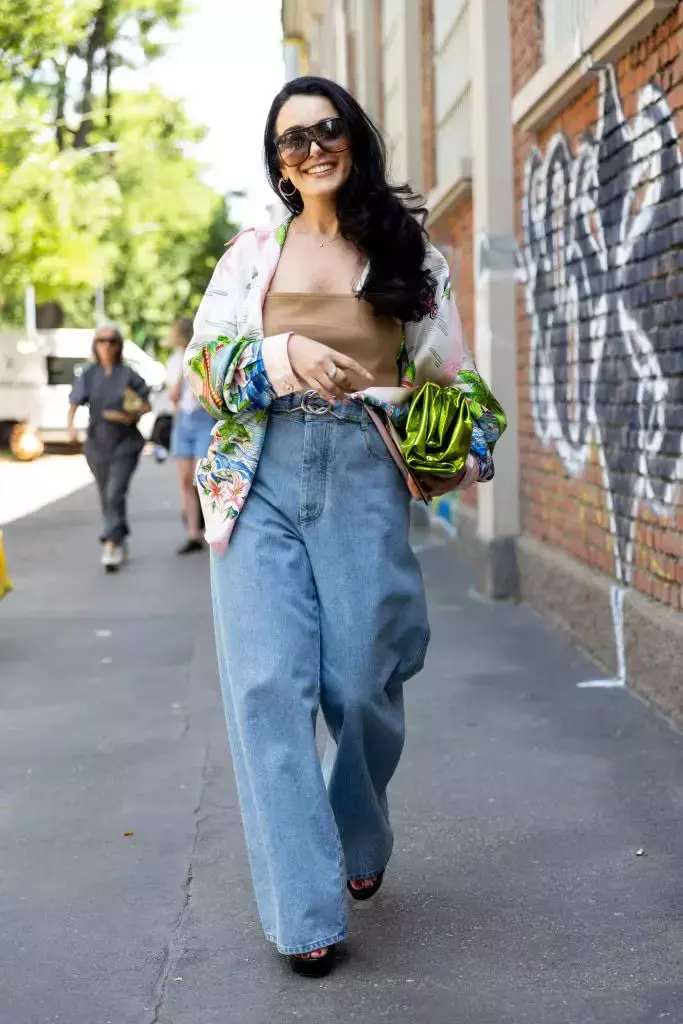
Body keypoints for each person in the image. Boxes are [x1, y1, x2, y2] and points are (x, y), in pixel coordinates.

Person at [183, 76, 499, 977]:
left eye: (326, 130)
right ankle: (306, 914)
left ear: (352, 139)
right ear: (277, 162)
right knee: (267, 694)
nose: (311, 147)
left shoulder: (409, 255)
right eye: (291, 140)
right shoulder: (251, 255)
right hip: (257, 479)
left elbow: (455, 382)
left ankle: (358, 834)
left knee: (363, 679)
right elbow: (206, 365)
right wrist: (279, 356)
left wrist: (455, 441)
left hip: (363, 474)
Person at [67, 325, 151, 571]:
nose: (106, 345)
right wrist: (70, 428)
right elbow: (74, 402)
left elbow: (145, 404)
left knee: (115, 492)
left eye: (112, 341)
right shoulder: (89, 374)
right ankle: (119, 533)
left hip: (125, 442)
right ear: (95, 345)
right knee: (107, 495)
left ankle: (111, 543)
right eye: (101, 341)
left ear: (119, 345)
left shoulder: (128, 374)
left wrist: (128, 414)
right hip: (97, 443)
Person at [166, 318, 214, 553]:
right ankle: (193, 533)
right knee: (185, 479)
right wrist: (184, 369)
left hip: (203, 417)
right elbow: (173, 396)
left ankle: (213, 527)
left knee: (202, 477)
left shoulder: (206, 356)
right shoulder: (174, 361)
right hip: (183, 420)